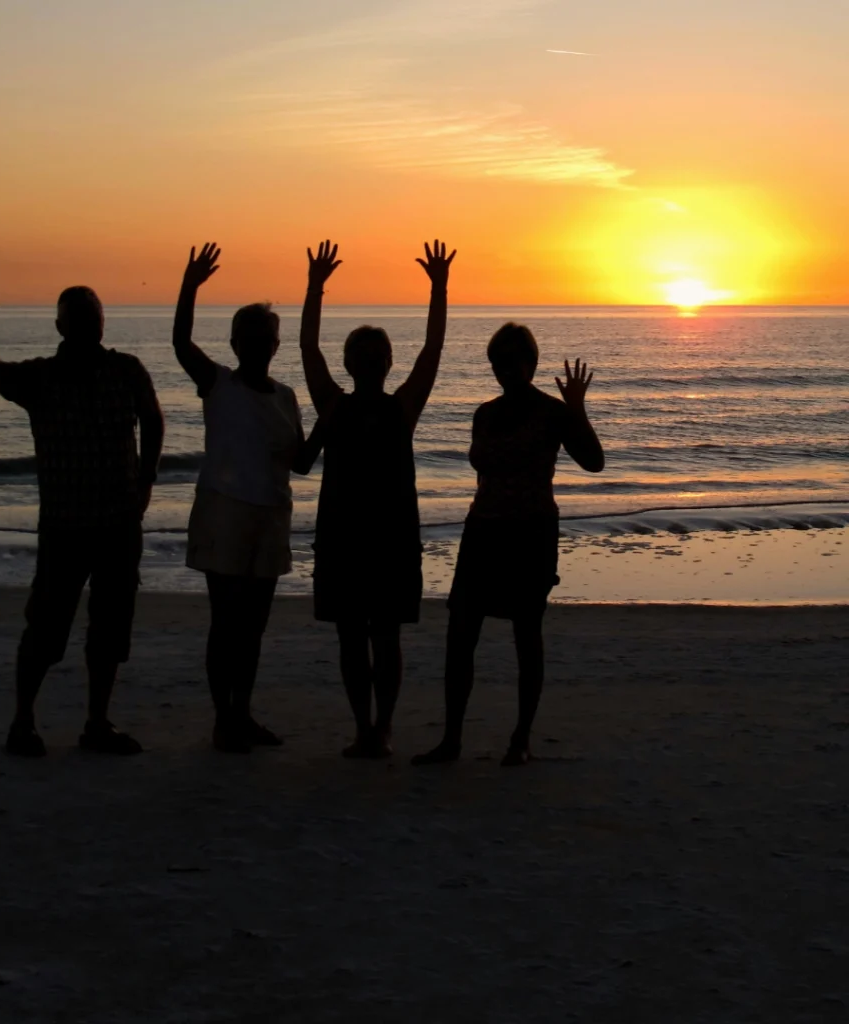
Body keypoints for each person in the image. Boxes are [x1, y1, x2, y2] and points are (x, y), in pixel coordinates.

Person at [0, 281, 165, 757]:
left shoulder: (126, 370)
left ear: (102, 324)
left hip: (118, 525)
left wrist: (146, 479)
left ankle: (97, 723)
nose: (87, 327)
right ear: (60, 326)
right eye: (77, 319)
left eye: (92, 319)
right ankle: (22, 722)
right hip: (65, 528)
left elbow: (154, 419)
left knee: (110, 630)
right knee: (46, 629)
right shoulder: (42, 378)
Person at [412, 325, 604, 768]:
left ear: (532, 364)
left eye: (518, 360)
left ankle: (521, 740)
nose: (509, 369)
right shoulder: (484, 414)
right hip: (483, 531)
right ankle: (452, 739)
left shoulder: (553, 413)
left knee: (526, 634)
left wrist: (578, 410)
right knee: (460, 634)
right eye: (501, 361)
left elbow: (594, 462)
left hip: (530, 533)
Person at [300, 239, 456, 758]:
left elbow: (309, 350)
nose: (371, 361)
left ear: (380, 362)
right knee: (369, 636)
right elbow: (431, 351)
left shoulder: (364, 408)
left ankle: (375, 729)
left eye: (375, 355)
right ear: (364, 363)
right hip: (370, 539)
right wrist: (437, 289)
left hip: (366, 539)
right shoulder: (368, 408)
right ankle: (373, 729)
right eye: (367, 355)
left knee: (369, 637)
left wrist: (316, 287)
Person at [173, 244, 321, 754]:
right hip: (225, 511)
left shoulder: (285, 397)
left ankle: (241, 713)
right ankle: (223, 719)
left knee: (253, 626)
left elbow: (300, 462)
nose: (261, 345)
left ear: (275, 345)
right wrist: (190, 286)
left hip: (271, 515)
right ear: (236, 342)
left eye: (267, 338)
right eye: (252, 337)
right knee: (226, 621)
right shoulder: (218, 382)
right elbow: (180, 342)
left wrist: (330, 418)